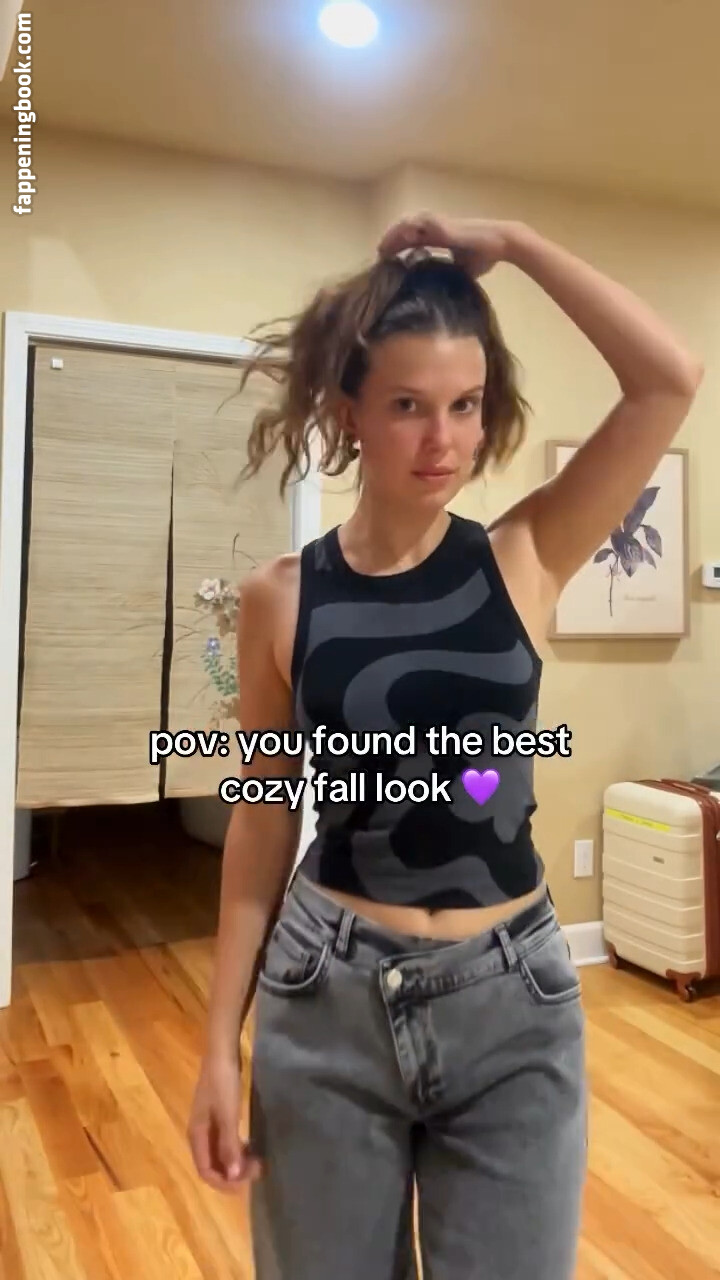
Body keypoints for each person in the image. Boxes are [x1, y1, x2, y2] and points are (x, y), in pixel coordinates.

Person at [187, 213, 703, 1279]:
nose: (444, 441)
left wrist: (516, 242)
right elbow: (262, 817)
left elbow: (667, 379)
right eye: (409, 405)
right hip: (326, 998)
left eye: (466, 405)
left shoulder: (526, 554)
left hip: (513, 1006)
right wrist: (218, 1047)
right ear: (350, 414)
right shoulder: (281, 599)